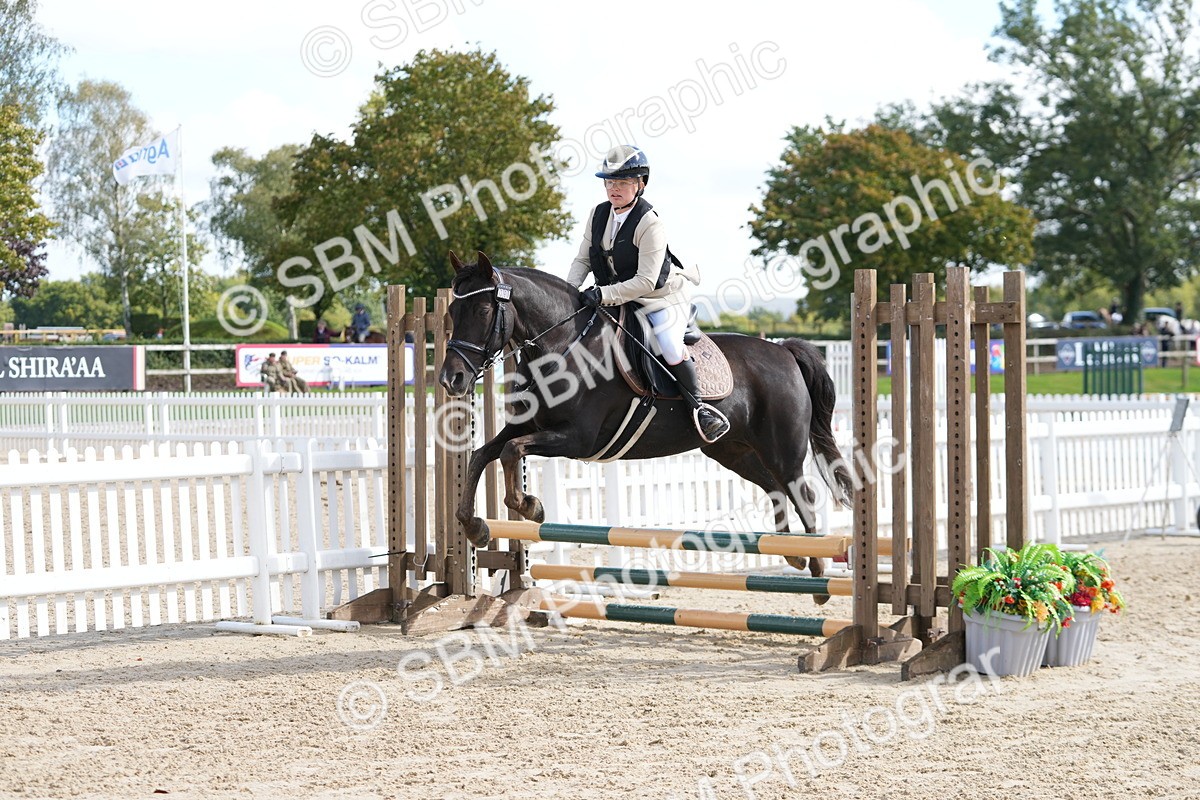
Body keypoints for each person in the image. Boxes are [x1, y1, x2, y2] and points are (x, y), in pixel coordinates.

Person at [566, 144, 729, 442]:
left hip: (661, 297)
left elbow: (645, 282)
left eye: (622, 182)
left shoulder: (650, 223)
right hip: (619, 294)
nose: (614, 189)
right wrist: (567, 291)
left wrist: (602, 294)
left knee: (668, 344)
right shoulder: (598, 214)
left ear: (640, 184)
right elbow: (583, 260)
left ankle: (700, 409)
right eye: (609, 182)